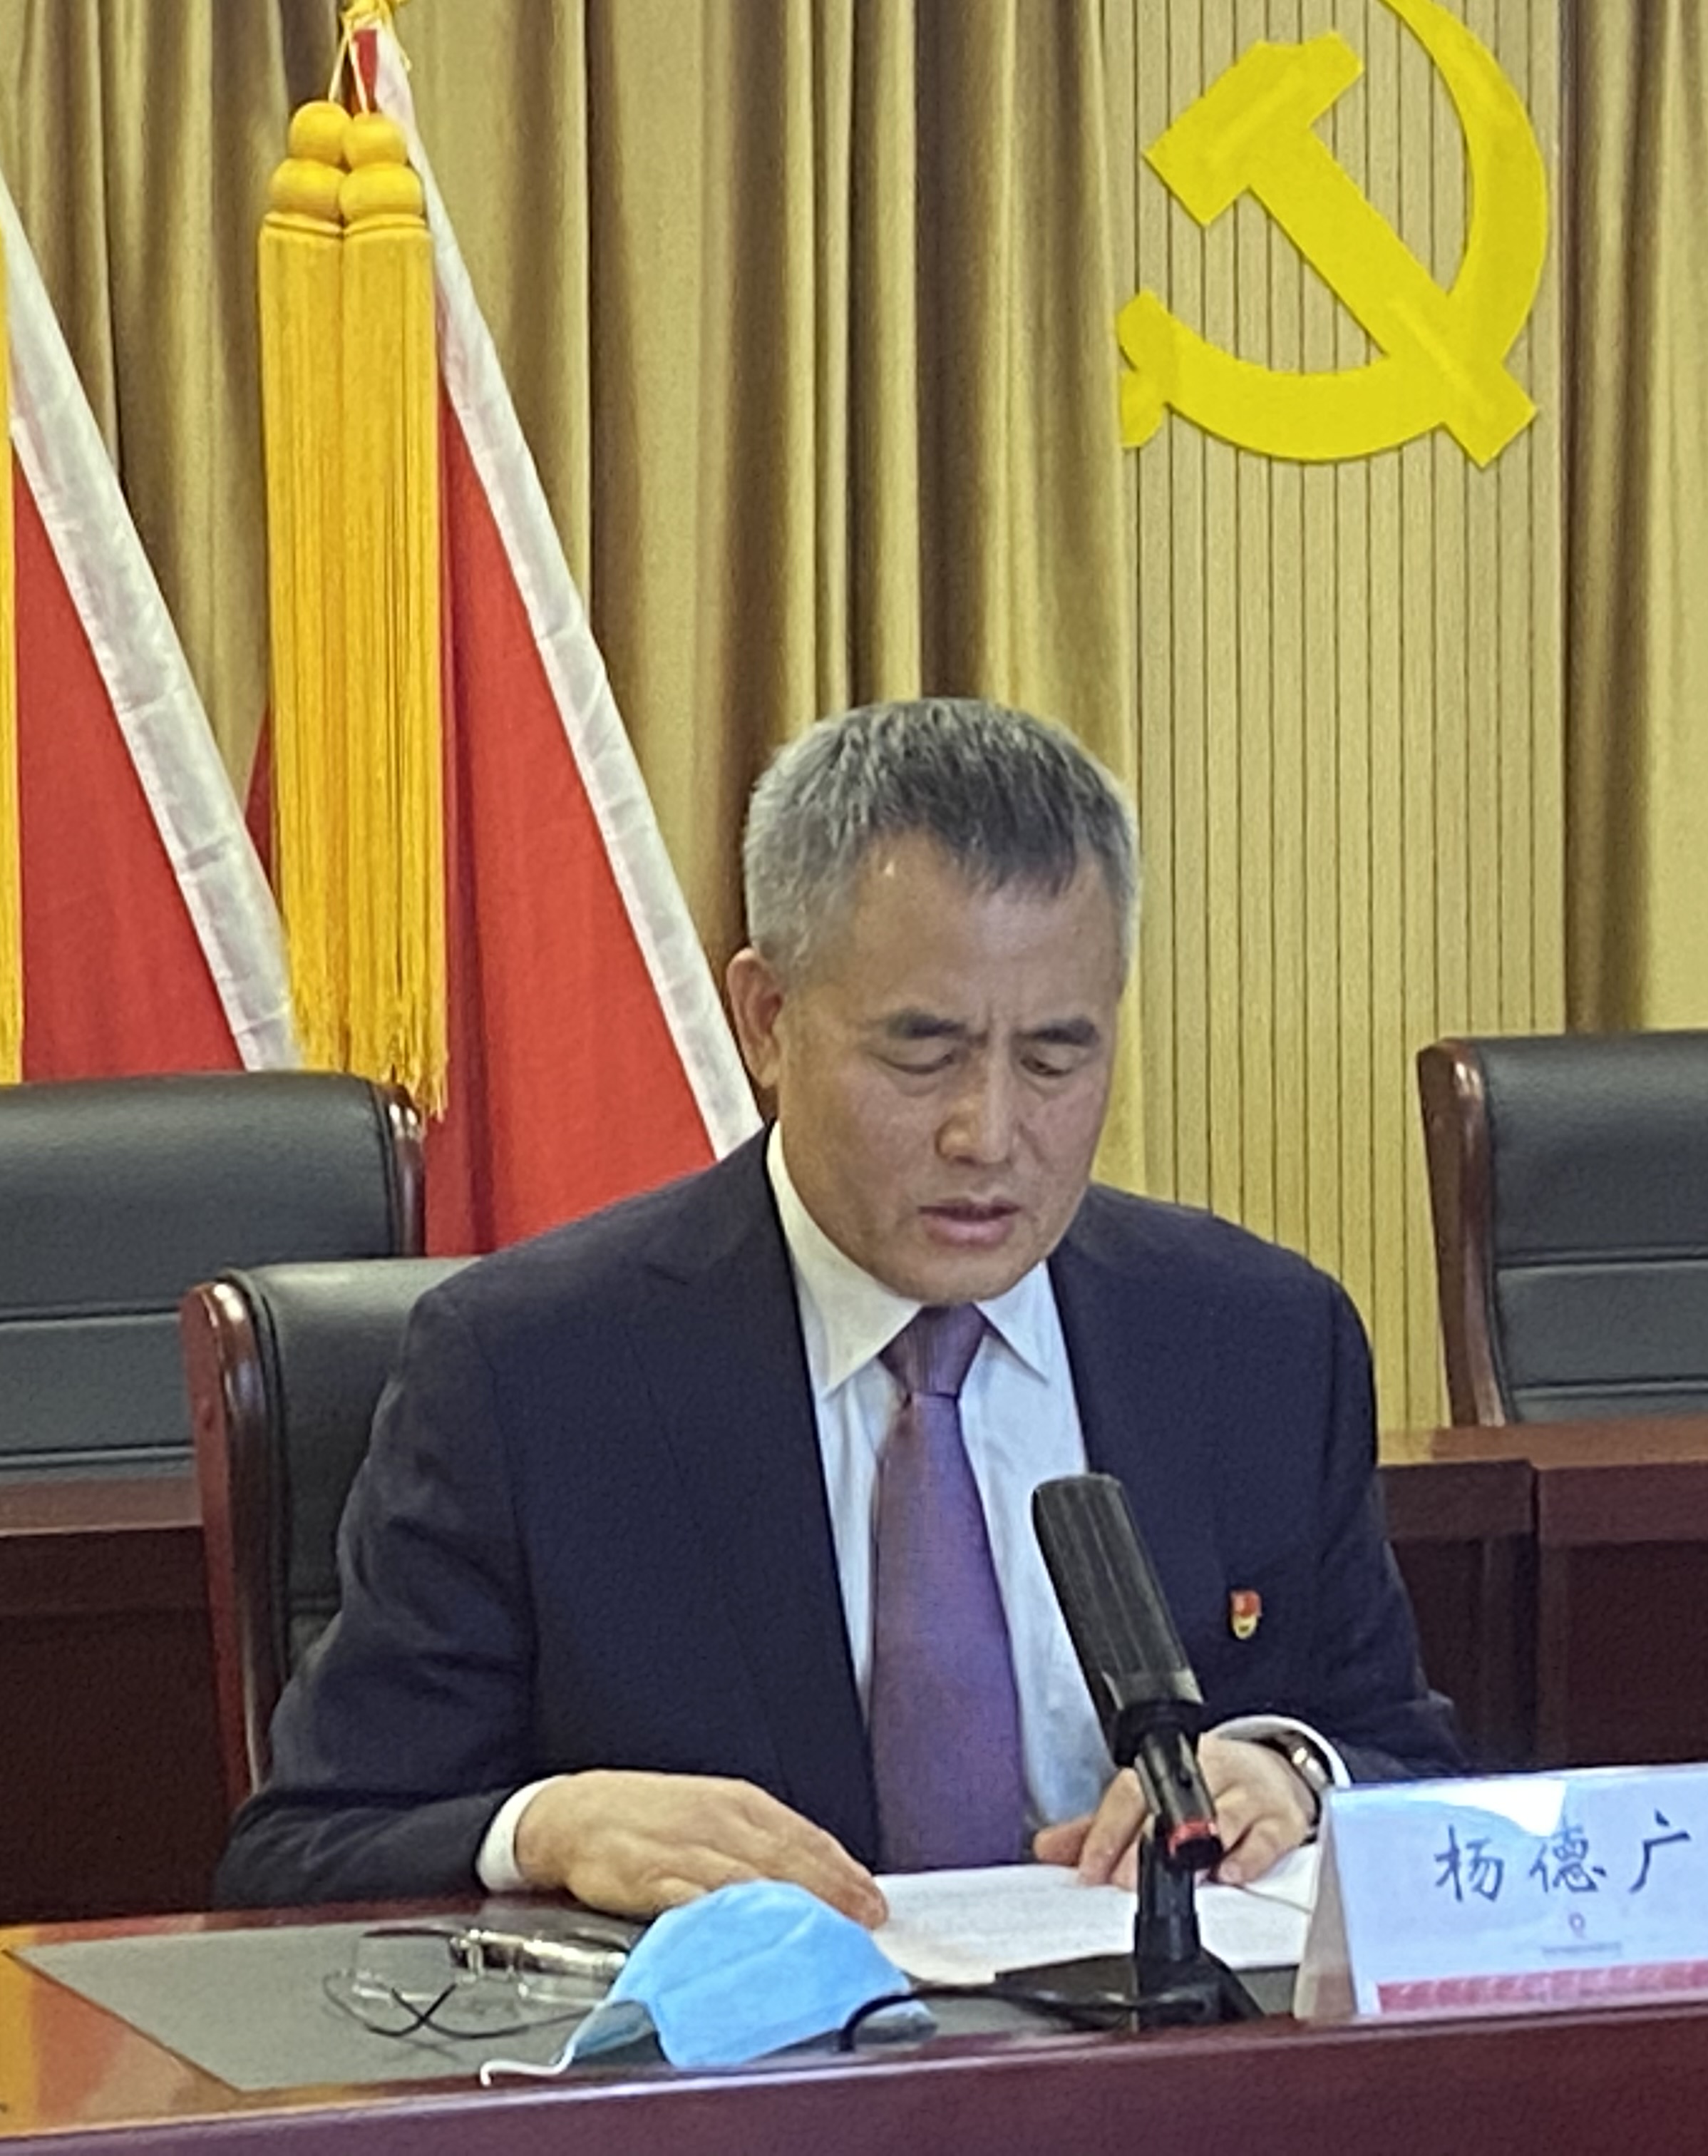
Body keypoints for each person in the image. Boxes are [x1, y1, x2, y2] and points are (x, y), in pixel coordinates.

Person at [217, 698, 1461, 1921]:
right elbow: (302, 1852)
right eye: (924, 1053)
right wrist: (550, 1826)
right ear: (767, 1021)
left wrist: (1296, 1777)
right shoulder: (530, 1371)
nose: (989, 1133)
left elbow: (1412, 1761)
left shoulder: (1258, 1342)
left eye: (1055, 1056)